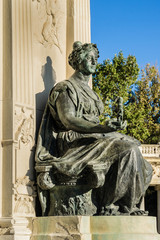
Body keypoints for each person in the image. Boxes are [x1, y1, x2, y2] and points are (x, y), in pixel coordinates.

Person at [35, 41, 153, 216]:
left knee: (135, 149)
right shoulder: (65, 88)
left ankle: (125, 205)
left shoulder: (93, 94)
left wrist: (112, 127)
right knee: (129, 149)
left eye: (96, 58)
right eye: (89, 57)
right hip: (74, 142)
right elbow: (69, 120)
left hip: (93, 138)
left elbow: (96, 125)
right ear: (77, 60)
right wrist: (102, 127)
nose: (94, 61)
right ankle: (111, 204)